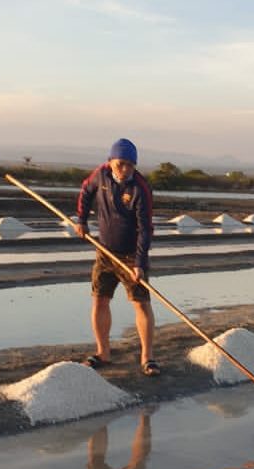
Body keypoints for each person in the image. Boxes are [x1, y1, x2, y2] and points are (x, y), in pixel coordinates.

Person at [75, 138, 159, 377]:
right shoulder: (100, 175)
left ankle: (147, 357)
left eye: (130, 165)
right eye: (121, 164)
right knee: (100, 299)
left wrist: (140, 264)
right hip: (105, 251)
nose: (125, 170)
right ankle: (103, 353)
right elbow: (85, 191)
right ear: (110, 161)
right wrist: (81, 221)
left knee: (141, 303)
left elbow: (145, 229)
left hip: (132, 255)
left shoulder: (140, 188)